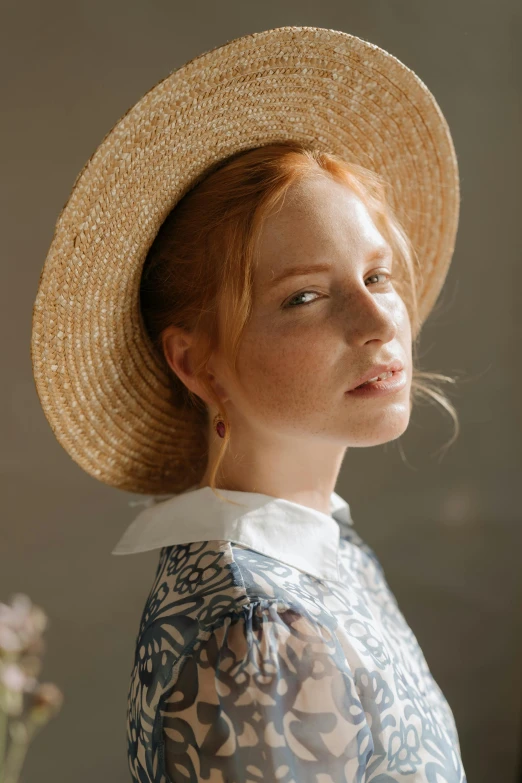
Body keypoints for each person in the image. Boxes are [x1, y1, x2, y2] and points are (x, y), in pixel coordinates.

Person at [31, 26, 465, 783]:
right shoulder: (259, 630)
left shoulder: (320, 553)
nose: (375, 323)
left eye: (379, 275)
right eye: (304, 296)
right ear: (194, 361)